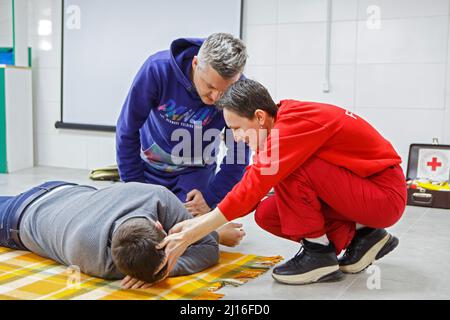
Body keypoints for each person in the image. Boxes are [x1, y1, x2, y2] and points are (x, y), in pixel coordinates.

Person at [156, 79, 407, 285]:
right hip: (362, 194)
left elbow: (251, 188)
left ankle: (318, 253)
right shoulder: (281, 122)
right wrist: (197, 223)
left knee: (287, 169)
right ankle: (364, 234)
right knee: (267, 213)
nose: (235, 137)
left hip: (385, 195)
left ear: (259, 116)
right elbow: (251, 192)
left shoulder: (288, 130)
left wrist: (192, 233)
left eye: (236, 128)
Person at [0, 181, 245, 289]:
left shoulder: (155, 196)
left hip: (60, 191)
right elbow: (209, 249)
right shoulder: (101, 264)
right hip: (19, 219)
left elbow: (208, 246)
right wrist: (163, 270)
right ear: (161, 227)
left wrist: (210, 234)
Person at [116, 33, 250, 217]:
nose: (215, 99)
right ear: (195, 64)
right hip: (150, 167)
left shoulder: (241, 88)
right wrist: (134, 186)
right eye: (210, 86)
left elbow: (239, 154)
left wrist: (211, 197)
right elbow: (127, 129)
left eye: (224, 91)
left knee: (186, 223)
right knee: (142, 222)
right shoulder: (157, 70)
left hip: (195, 172)